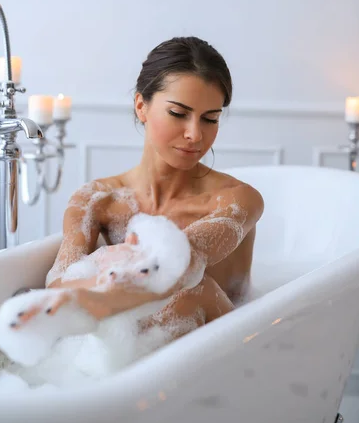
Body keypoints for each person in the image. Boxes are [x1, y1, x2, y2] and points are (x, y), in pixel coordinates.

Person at [13, 37, 264, 341]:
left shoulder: (236, 200)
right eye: (178, 113)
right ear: (141, 106)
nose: (195, 134)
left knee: (194, 290)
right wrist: (100, 282)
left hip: (228, 348)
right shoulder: (97, 199)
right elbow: (58, 284)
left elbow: (179, 268)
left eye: (210, 119)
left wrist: (102, 298)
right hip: (138, 351)